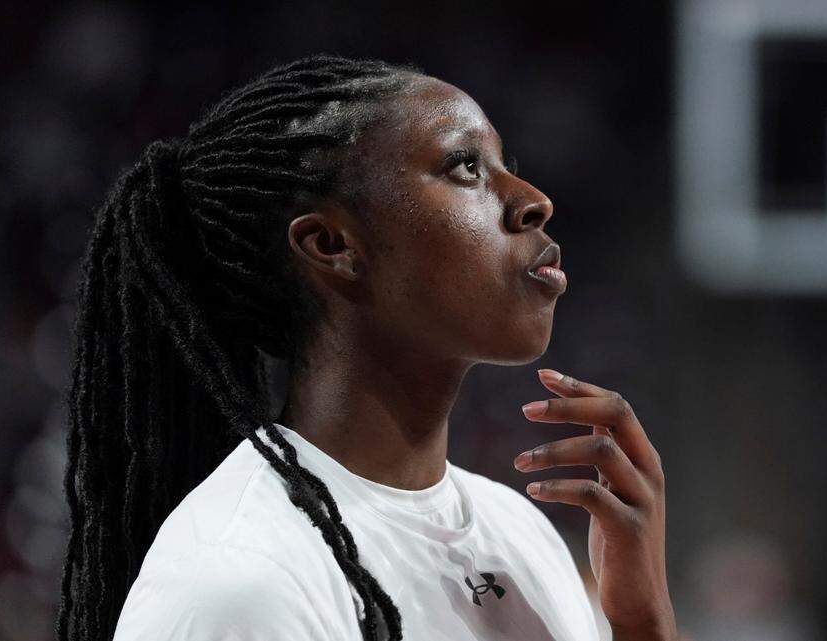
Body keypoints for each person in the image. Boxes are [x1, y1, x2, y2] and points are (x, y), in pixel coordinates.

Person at [57, 54, 675, 641]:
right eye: (466, 167)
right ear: (332, 245)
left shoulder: (520, 536)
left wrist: (644, 623)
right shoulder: (241, 579)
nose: (532, 200)